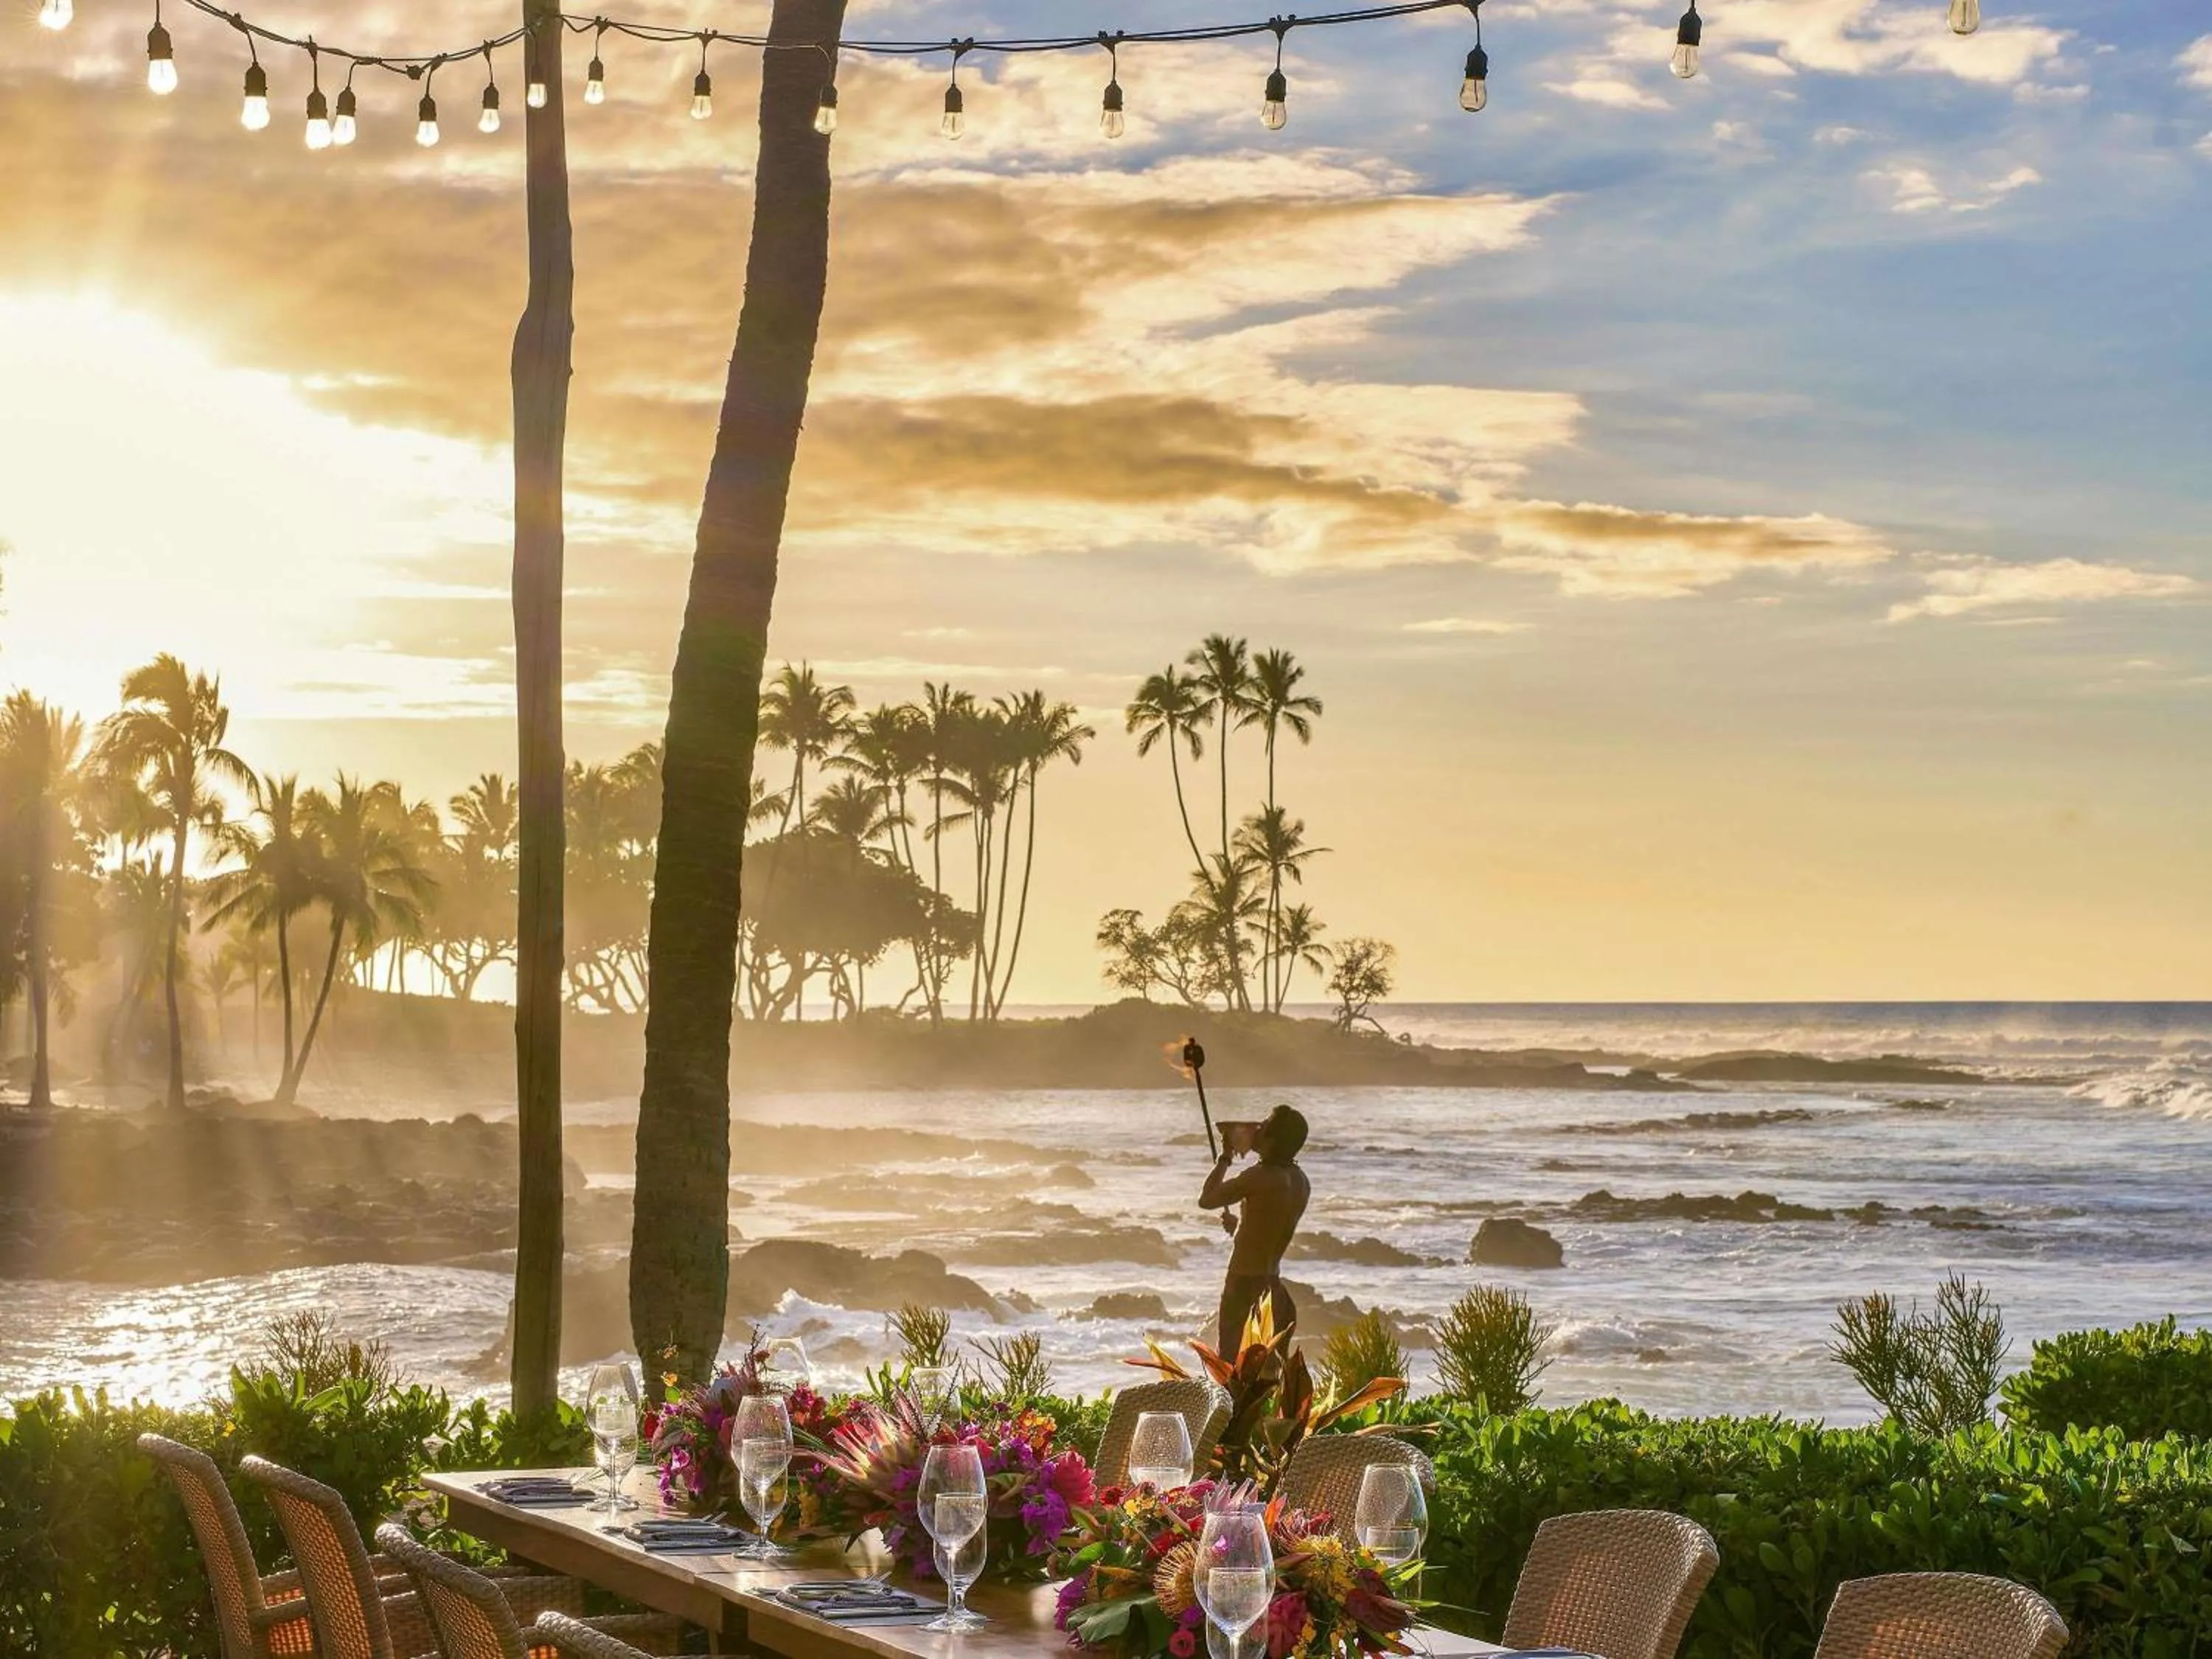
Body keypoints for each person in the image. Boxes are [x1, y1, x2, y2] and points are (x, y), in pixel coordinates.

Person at [1199, 1102, 1310, 1354]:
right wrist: (1240, 1228)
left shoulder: (1260, 1176)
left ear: (1273, 1141)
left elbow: (1207, 1199)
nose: (1257, 1129)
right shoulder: (1301, 1181)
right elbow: (1268, 1231)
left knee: (1231, 1371)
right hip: (1274, 1290)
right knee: (1267, 1377)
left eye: (1265, 1126)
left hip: (1244, 1288)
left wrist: (1225, 1157)